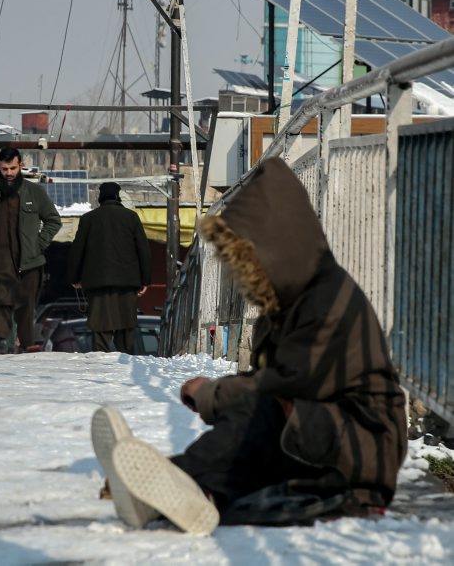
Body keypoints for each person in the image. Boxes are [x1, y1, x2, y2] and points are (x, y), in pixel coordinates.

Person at [91, 157, 408, 534]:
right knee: (251, 424)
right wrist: (221, 396)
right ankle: (194, 491)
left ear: (277, 249)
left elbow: (285, 385)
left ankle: (178, 480)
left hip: (362, 450)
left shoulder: (328, 300)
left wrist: (212, 393)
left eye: (247, 260)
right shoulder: (288, 306)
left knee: (259, 408)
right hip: (319, 438)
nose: (242, 274)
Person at [0, 147, 61, 353]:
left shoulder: (34, 192)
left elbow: (53, 220)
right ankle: (2, 344)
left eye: (12, 168)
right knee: (0, 303)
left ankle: (26, 346)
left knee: (26, 308)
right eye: (4, 169)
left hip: (28, 262)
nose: (8, 173)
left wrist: (38, 245)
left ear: (21, 166)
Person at [67, 182, 151, 354]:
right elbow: (143, 249)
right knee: (126, 324)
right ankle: (125, 359)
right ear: (118, 197)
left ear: (100, 198)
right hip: (127, 283)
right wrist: (145, 280)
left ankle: (100, 360)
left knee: (100, 326)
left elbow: (77, 250)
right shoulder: (131, 217)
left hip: (97, 283)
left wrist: (75, 277)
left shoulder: (88, 219)